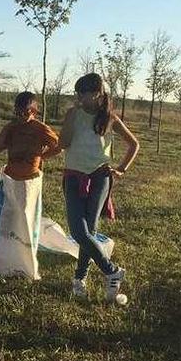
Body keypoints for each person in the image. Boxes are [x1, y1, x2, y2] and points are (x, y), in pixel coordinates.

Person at [60, 73, 139, 304]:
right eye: (77, 93)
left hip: (100, 177)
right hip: (74, 176)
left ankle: (79, 281)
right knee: (78, 230)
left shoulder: (110, 118)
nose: (79, 97)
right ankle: (112, 270)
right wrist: (70, 118)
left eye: (82, 93)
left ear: (96, 93)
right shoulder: (74, 114)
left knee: (90, 231)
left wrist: (122, 169)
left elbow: (134, 144)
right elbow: (63, 143)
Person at [0, 91, 59, 278]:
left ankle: (24, 260)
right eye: (17, 113)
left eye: (25, 113)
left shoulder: (40, 128)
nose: (20, 117)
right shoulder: (12, 127)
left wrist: (42, 156)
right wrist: (8, 128)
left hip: (30, 180)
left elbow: (57, 145)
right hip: (11, 178)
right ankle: (4, 260)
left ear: (33, 111)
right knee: (9, 220)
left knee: (26, 221)